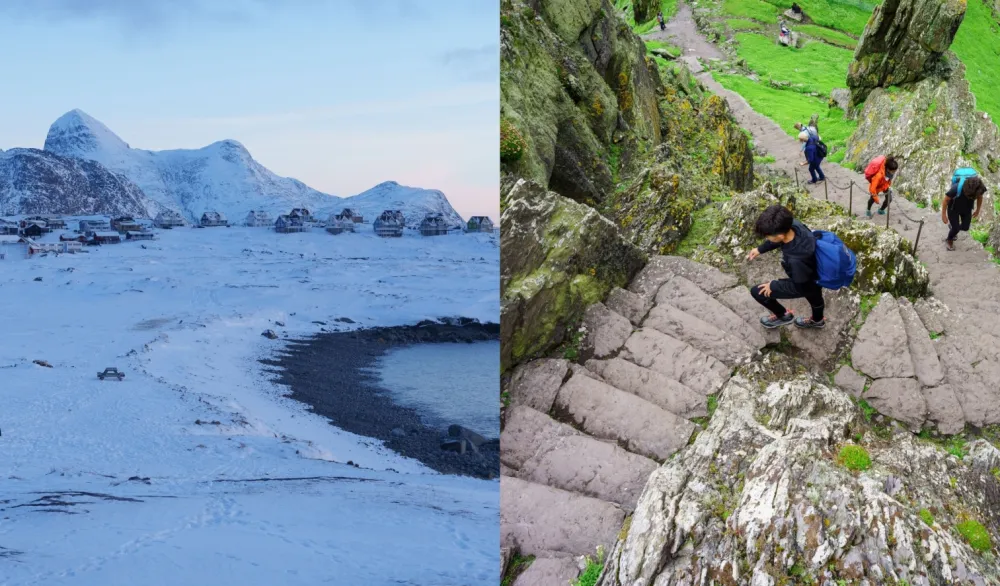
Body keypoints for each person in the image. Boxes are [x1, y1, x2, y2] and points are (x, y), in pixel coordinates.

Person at [747, 205, 826, 329]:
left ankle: (783, 316)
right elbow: (779, 238)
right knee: (816, 299)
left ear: (779, 236)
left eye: (767, 236)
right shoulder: (794, 225)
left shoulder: (796, 259)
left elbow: (800, 286)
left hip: (804, 280)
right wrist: (760, 249)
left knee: (758, 292)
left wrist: (773, 285)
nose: (766, 238)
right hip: (817, 273)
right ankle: (818, 321)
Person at [942, 175, 986, 251]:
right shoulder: (956, 188)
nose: (973, 198)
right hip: (953, 209)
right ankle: (949, 240)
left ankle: (953, 227)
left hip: (967, 209)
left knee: (966, 227)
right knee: (956, 228)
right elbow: (946, 200)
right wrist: (943, 215)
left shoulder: (980, 187)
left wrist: (978, 210)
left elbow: (980, 197)